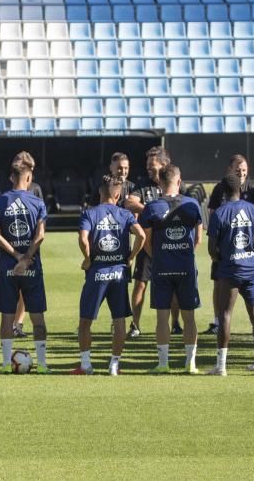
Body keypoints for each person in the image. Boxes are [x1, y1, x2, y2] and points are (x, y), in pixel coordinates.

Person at [73, 177, 145, 375]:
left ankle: (86, 365)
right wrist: (130, 258)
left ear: (100, 193)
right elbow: (142, 236)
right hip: (119, 273)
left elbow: (83, 238)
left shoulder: (89, 213)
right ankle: (114, 365)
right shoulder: (125, 214)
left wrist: (87, 258)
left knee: (85, 321)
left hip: (97, 273)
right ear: (118, 195)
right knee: (119, 320)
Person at [207, 174, 254, 376]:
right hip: (252, 269)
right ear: (242, 189)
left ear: (223, 191)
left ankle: (221, 366)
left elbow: (212, 249)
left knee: (225, 314)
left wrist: (221, 259)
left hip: (230, 270)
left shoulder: (219, 213)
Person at [0, 153, 49, 374]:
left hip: (7, 267)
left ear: (10, 177)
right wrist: (26, 258)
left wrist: (16, 257)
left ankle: (6, 364)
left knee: (6, 316)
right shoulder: (37, 202)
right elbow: (40, 235)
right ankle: (42, 365)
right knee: (37, 318)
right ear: (29, 177)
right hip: (32, 266)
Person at [140, 165, 202, 374]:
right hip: (186, 267)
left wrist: (159, 256)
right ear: (179, 180)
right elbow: (199, 240)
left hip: (162, 267)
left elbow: (146, 242)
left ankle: (163, 363)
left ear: (158, 182)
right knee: (189, 316)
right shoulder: (193, 204)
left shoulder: (151, 207)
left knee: (162, 317)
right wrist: (184, 253)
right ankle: (190, 363)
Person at [204, 154, 254, 336]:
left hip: (245, 249)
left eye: (244, 170)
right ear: (230, 170)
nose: (241, 173)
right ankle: (216, 321)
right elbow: (213, 213)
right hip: (223, 246)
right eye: (238, 170)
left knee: (250, 298)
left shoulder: (253, 190)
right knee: (218, 285)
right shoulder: (220, 188)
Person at [123, 145, 169, 340]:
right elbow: (130, 202)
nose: (149, 169)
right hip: (146, 241)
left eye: (153, 166)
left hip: (168, 242)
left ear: (164, 165)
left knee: (172, 284)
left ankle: (174, 324)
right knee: (141, 284)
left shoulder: (173, 182)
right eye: (148, 166)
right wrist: (151, 211)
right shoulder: (143, 184)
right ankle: (135, 324)